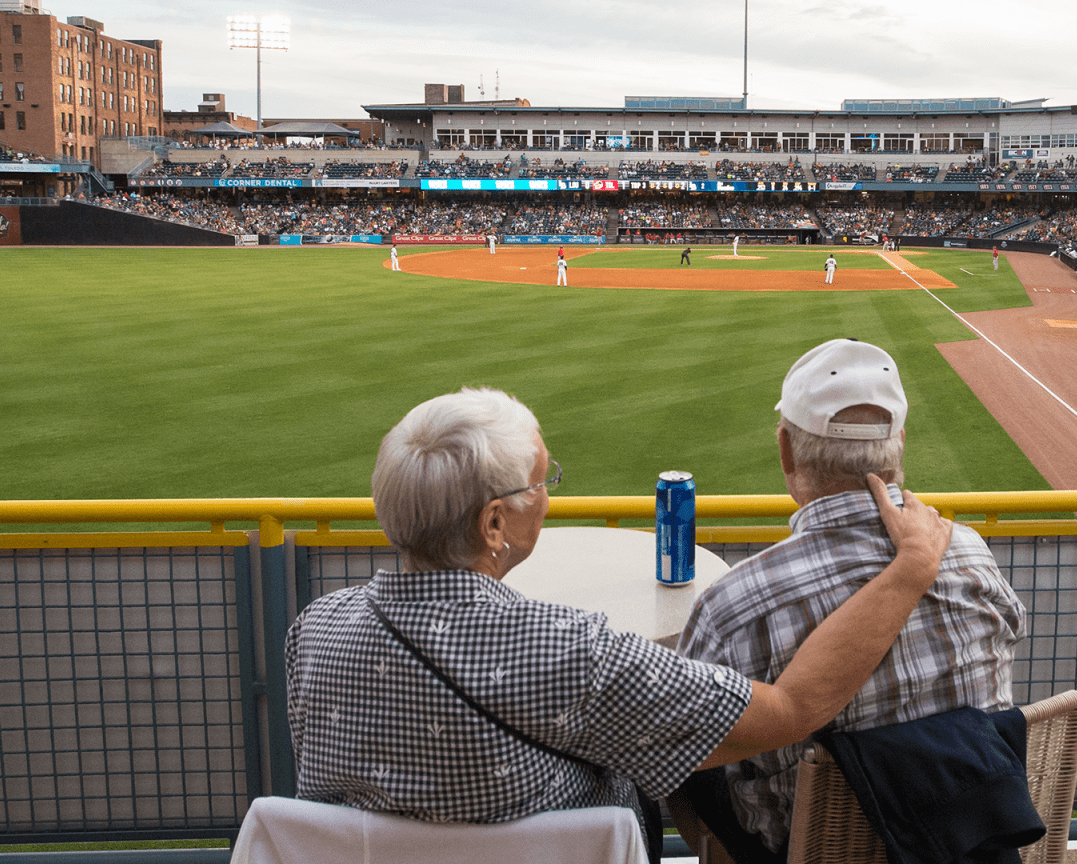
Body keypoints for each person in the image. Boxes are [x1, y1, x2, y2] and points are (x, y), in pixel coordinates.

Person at [285, 387, 954, 861]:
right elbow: (790, 709)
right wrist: (908, 570)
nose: (547, 498)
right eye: (540, 483)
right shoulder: (570, 649)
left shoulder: (312, 632)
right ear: (494, 523)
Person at [675, 339, 1027, 864]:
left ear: (786, 450)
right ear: (899, 444)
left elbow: (679, 740)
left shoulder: (732, 603)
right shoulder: (972, 554)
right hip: (969, 837)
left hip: (798, 850)